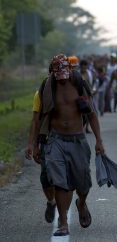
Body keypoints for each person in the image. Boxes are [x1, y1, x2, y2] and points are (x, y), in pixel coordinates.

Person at [39, 54, 105, 236]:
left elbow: (91, 114)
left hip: (78, 139)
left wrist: (99, 140)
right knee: (60, 182)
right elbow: (39, 116)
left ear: (69, 70)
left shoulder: (78, 83)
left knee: (83, 183)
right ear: (52, 71)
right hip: (56, 139)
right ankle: (63, 222)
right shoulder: (48, 85)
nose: (60, 77)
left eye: (63, 73)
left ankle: (81, 203)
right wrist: (34, 143)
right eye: (56, 73)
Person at [25, 82, 56, 224]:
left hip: (66, 139)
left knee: (63, 176)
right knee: (45, 177)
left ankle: (63, 216)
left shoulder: (71, 90)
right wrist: (33, 144)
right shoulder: (40, 94)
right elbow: (35, 121)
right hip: (46, 139)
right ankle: (51, 202)